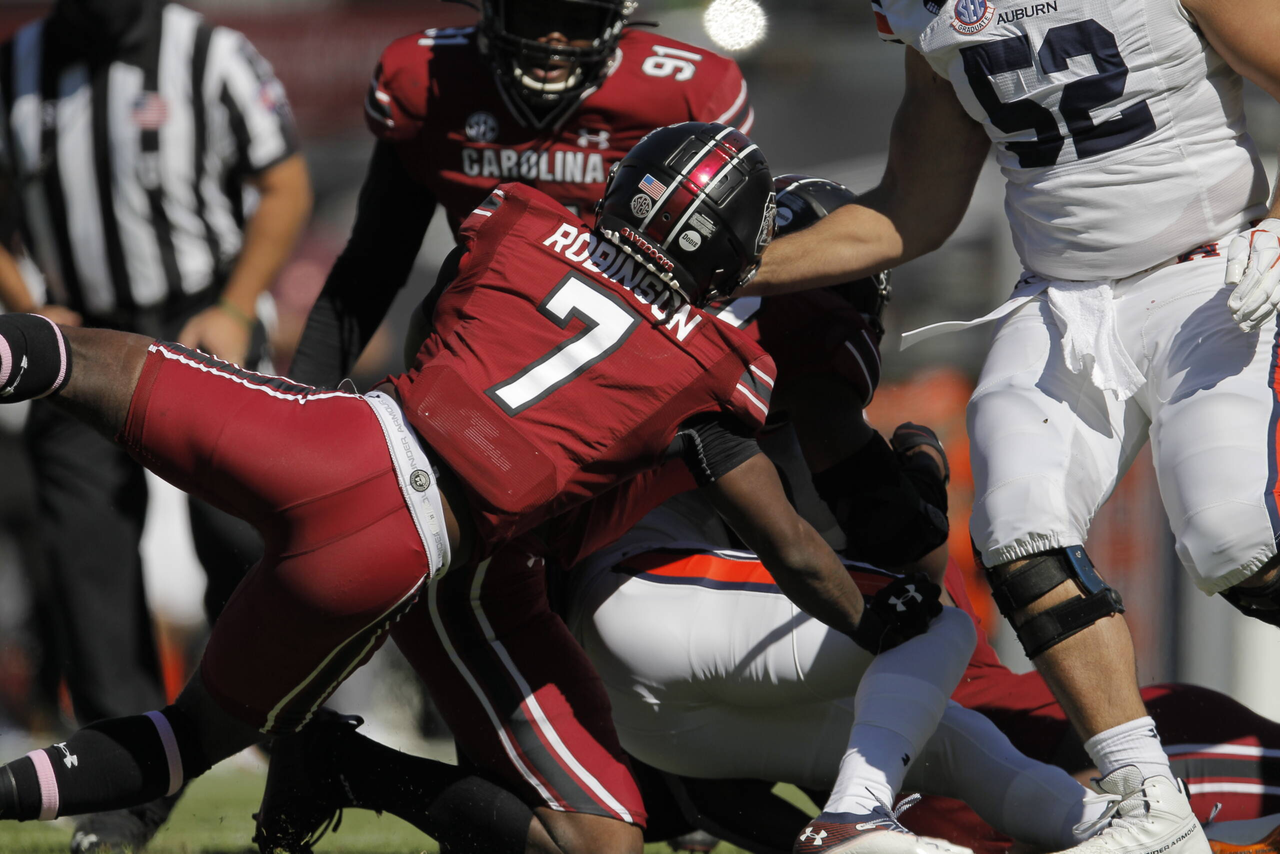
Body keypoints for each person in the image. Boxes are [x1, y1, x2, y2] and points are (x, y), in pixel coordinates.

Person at [0, 123, 944, 854]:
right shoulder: (716, 366)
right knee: (190, 737)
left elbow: (438, 323)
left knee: (70, 355)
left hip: (339, 441)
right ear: (732, 256)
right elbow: (794, 551)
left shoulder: (523, 219)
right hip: (406, 555)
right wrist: (875, 618)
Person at [737, 0, 1280, 852]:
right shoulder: (924, 12)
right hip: (1061, 297)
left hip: (1212, 271)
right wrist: (724, 269)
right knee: (1016, 530)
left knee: (1235, 540)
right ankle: (1153, 806)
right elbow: (914, 207)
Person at [0, 0, 311, 849]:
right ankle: (129, 784)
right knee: (85, 560)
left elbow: (283, 181)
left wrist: (236, 302)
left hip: (198, 323)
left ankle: (299, 754)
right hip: (81, 340)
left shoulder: (210, 52)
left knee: (246, 544)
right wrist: (31, 309)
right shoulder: (14, 64)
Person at [288, 0, 754, 388]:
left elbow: (725, 264)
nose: (551, 42)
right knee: (442, 301)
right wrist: (305, 393)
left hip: (642, 332)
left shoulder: (681, 91)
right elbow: (376, 259)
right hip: (482, 325)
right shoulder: (428, 80)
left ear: (614, 19)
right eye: (535, 15)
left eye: (575, 23)